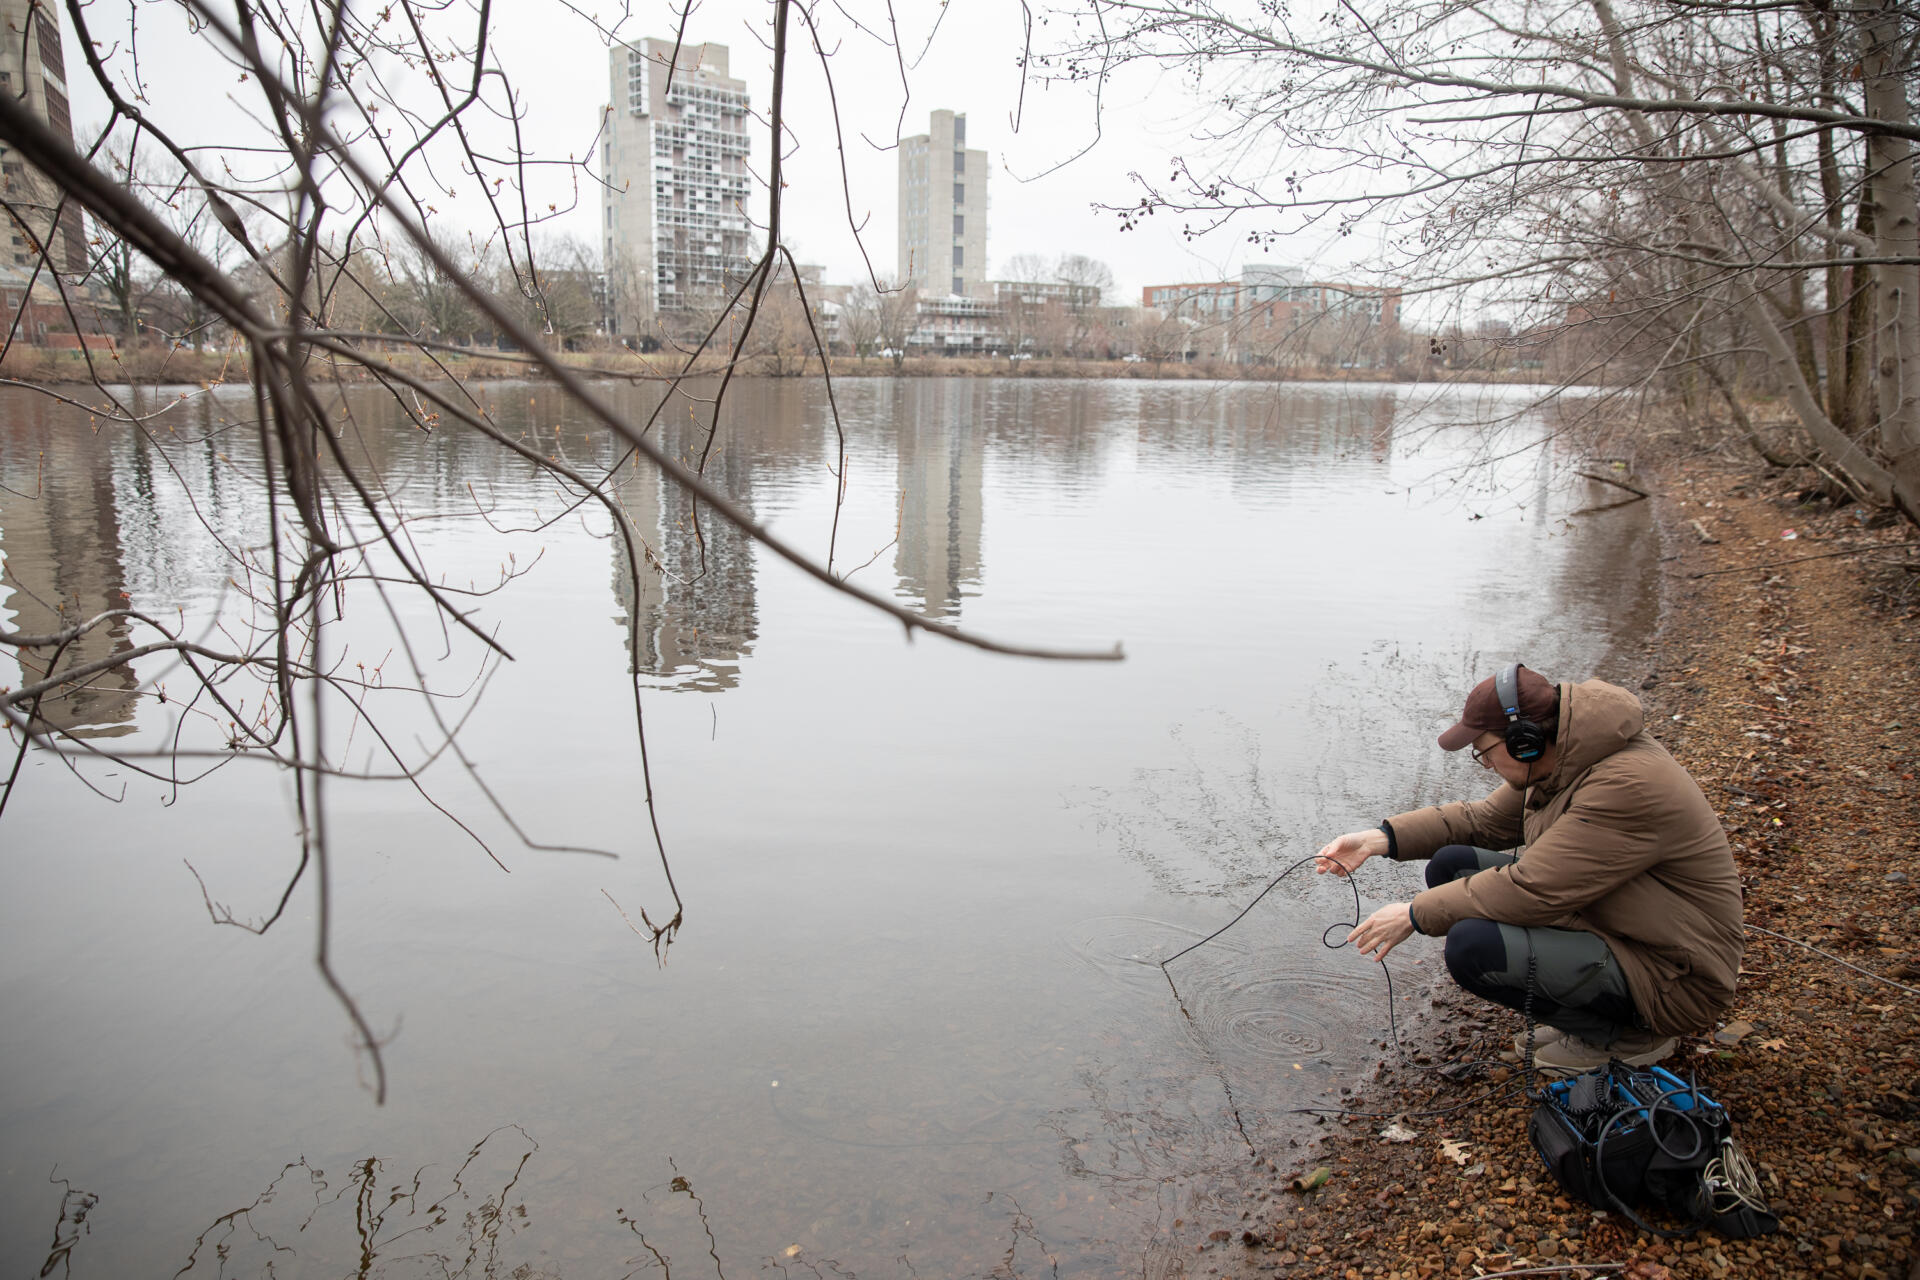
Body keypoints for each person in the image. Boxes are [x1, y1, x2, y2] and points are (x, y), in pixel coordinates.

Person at [1313, 663, 1743, 1074]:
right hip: (1624, 923)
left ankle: (1630, 1036)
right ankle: (1595, 1012)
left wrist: (1412, 914)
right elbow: (1480, 821)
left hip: (1675, 977)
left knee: (1473, 948)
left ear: (1526, 739)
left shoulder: (1624, 786)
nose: (1486, 767)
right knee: (1452, 864)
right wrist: (1377, 839)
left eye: (1484, 753)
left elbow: (1531, 888)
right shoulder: (1567, 759)